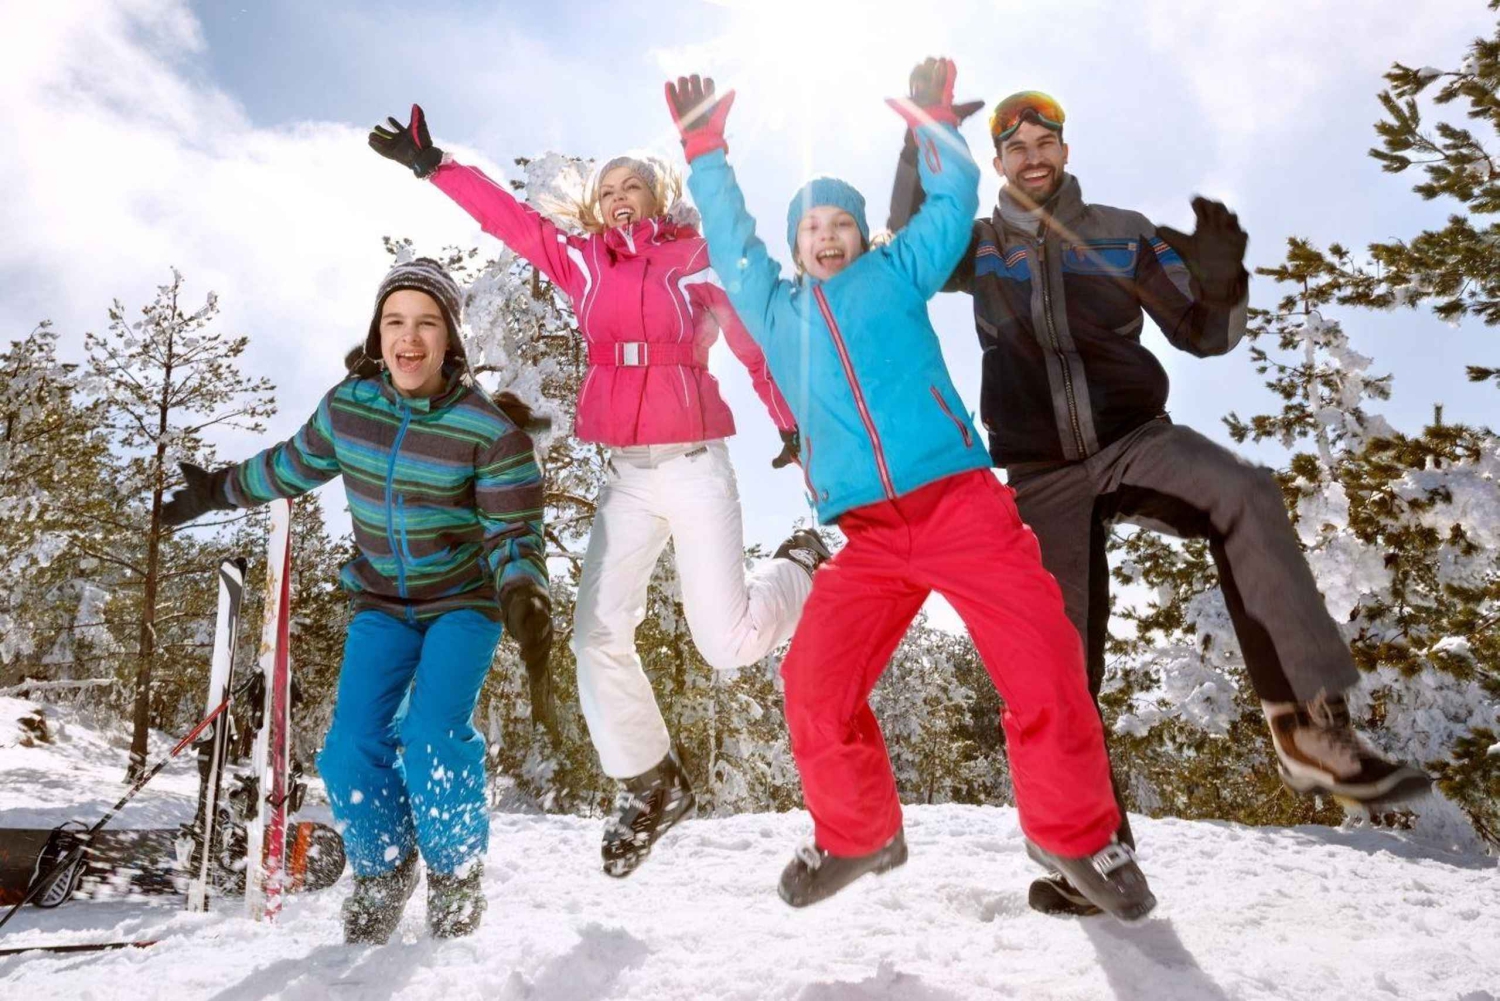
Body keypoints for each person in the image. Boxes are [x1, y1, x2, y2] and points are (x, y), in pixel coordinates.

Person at [886, 89, 1431, 916]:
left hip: (1136, 439)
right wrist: (920, 141)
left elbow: (1206, 334)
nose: (1033, 157)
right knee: (1060, 661)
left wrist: (1223, 282)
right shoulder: (980, 245)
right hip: (1040, 474)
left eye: (1045, 142)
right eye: (1016, 147)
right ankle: (1090, 852)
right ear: (996, 163)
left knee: (1242, 491)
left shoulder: (1121, 232)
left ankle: (1311, 729)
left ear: (1065, 150)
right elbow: (907, 252)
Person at [667, 60, 1156, 922]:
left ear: (862, 235)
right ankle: (857, 831)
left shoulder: (895, 273)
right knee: (814, 680)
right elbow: (730, 235)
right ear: (794, 244)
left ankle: (1076, 836)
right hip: (870, 536)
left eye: (841, 224)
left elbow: (950, 206)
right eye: (811, 227)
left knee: (1044, 661)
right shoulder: (774, 308)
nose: (827, 237)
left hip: (961, 505)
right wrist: (705, 150)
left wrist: (936, 129)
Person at [369, 106, 828, 878]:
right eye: (608, 188)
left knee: (728, 644)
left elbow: (753, 349)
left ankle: (802, 563)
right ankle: (651, 783)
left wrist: (789, 423)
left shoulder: (695, 259)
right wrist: (435, 165)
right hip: (626, 478)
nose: (619, 196)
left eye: (633, 185)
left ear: (658, 197)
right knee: (596, 635)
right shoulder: (582, 263)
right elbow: (509, 220)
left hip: (694, 464)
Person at [160, 257, 552, 943]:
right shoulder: (350, 409)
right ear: (377, 334)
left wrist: (522, 590)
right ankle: (385, 868)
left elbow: (513, 532)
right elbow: (291, 465)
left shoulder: (489, 431)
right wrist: (216, 489)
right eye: (395, 321)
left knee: (432, 735)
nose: (409, 337)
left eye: (427, 323)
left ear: (451, 340)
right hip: (382, 604)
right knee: (347, 748)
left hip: (463, 603)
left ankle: (456, 875)